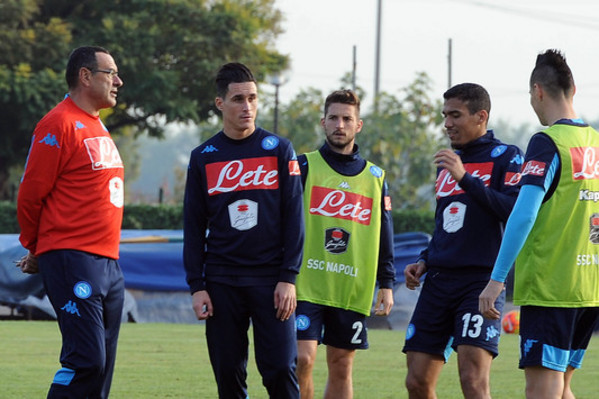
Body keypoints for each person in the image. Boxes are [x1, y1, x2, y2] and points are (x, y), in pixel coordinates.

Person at [479, 49, 599, 399]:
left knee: (543, 390)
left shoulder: (547, 143)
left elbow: (523, 212)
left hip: (552, 288)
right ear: (573, 89)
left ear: (538, 92)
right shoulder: (594, 143)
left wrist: (496, 280)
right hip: (588, 289)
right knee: (562, 389)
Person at [183, 62, 304, 398]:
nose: (247, 107)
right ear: (220, 103)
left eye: (252, 98)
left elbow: (295, 218)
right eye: (238, 99)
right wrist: (197, 285)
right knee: (228, 374)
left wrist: (288, 277)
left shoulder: (279, 150)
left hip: (271, 281)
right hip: (222, 281)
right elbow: (193, 227)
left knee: (280, 369)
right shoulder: (203, 157)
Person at [16, 46, 125, 398]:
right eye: (110, 73)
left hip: (108, 262)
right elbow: (30, 194)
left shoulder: (96, 125)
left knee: (102, 364)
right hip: (73, 258)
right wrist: (36, 247)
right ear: (85, 75)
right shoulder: (58, 123)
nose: (118, 81)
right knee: (87, 360)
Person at [402, 83, 524, 399]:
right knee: (416, 382)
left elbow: (513, 210)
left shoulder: (507, 157)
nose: (447, 124)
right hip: (438, 282)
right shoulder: (450, 162)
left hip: (479, 283)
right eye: (445, 115)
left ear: (481, 115)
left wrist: (465, 178)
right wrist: (425, 259)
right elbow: (448, 225)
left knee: (472, 381)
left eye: (455, 115)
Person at [294, 89, 395, 399]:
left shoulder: (375, 177)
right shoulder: (304, 166)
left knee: (341, 365)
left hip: (351, 285)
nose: (340, 125)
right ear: (323, 123)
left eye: (347, 119)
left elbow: (385, 232)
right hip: (306, 283)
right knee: (301, 360)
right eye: (334, 118)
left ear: (358, 125)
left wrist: (386, 283)